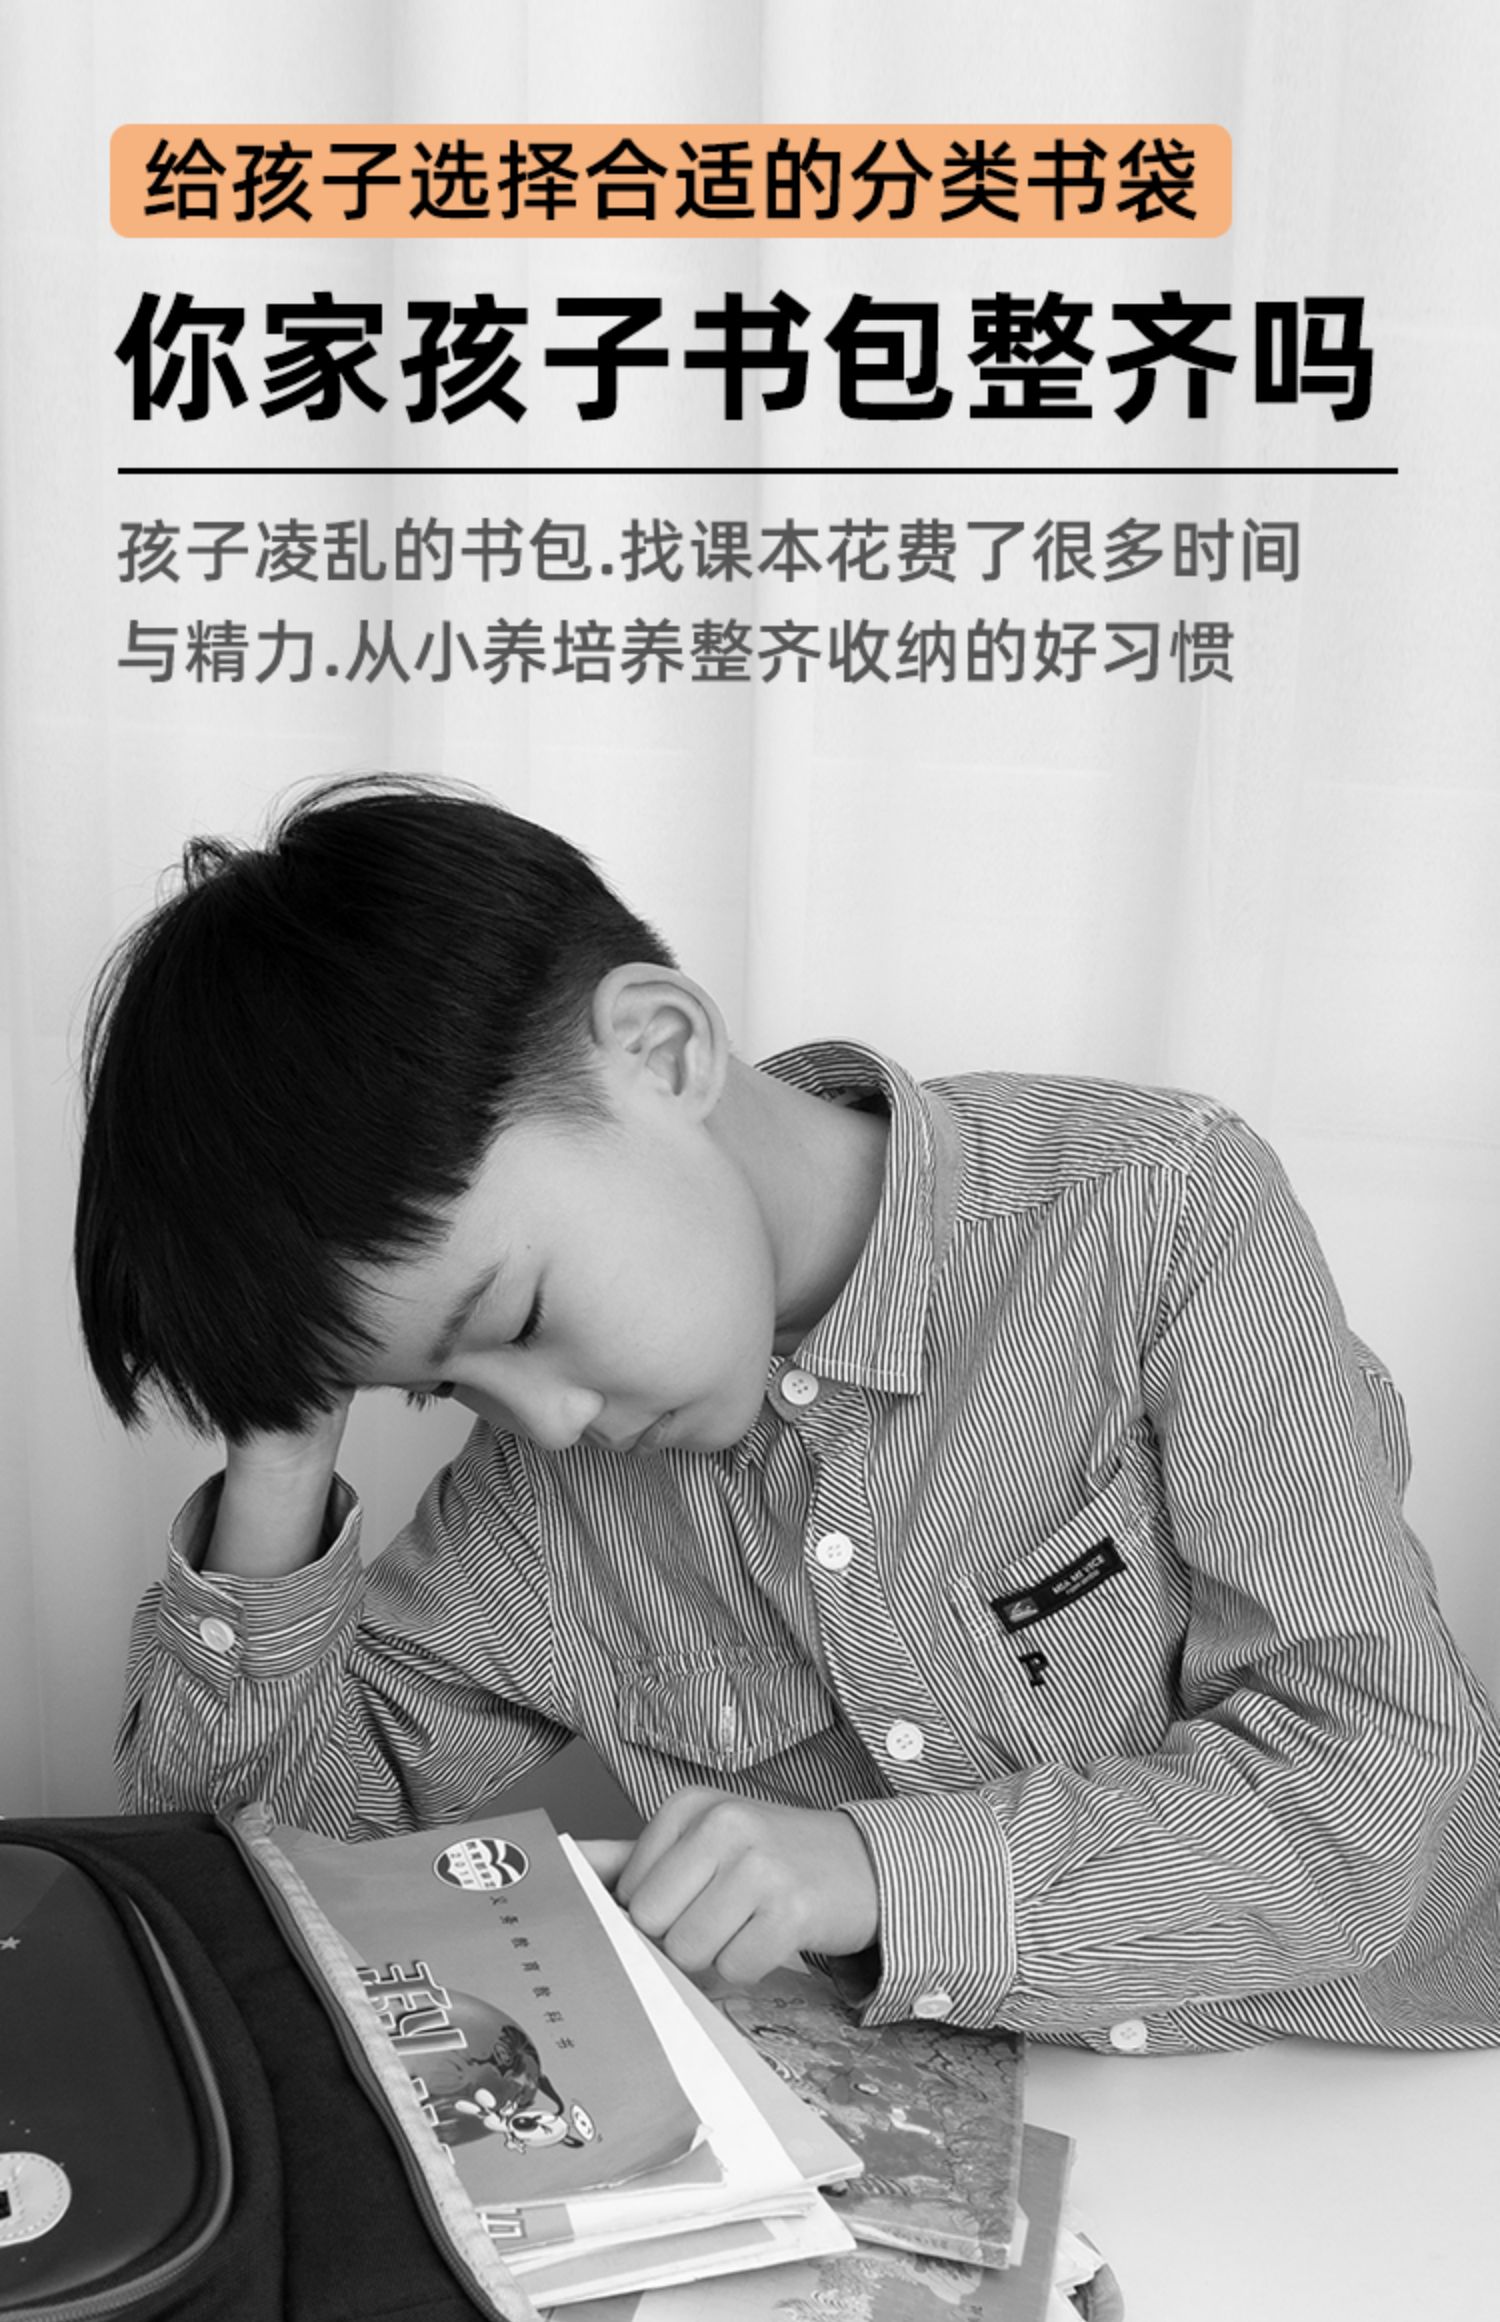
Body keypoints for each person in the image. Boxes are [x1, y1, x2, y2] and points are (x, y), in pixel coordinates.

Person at [78, 777, 1500, 2053]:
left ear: (662, 1049)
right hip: (947, 2149)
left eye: (513, 1317)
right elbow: (293, 1878)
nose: (547, 1418)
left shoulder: (1156, 1214)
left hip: (1367, 2097)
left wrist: (874, 1872)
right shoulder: (538, 1492)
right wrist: (280, 1429)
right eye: (441, 1386)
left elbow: (1381, 1795)